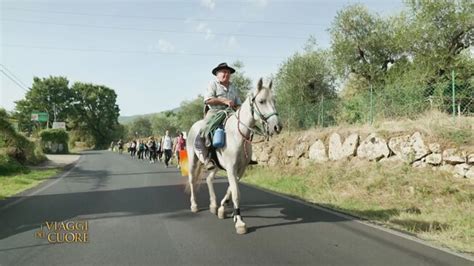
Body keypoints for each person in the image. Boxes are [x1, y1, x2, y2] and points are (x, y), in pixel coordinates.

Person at [195, 62, 242, 170]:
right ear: (217, 74)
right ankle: (207, 159)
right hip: (215, 112)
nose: (226, 74)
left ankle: (244, 157)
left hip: (231, 113)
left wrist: (241, 110)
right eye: (224, 72)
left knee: (245, 128)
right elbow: (208, 100)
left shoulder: (234, 87)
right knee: (203, 130)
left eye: (228, 72)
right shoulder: (213, 84)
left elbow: (238, 103)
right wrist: (223, 100)